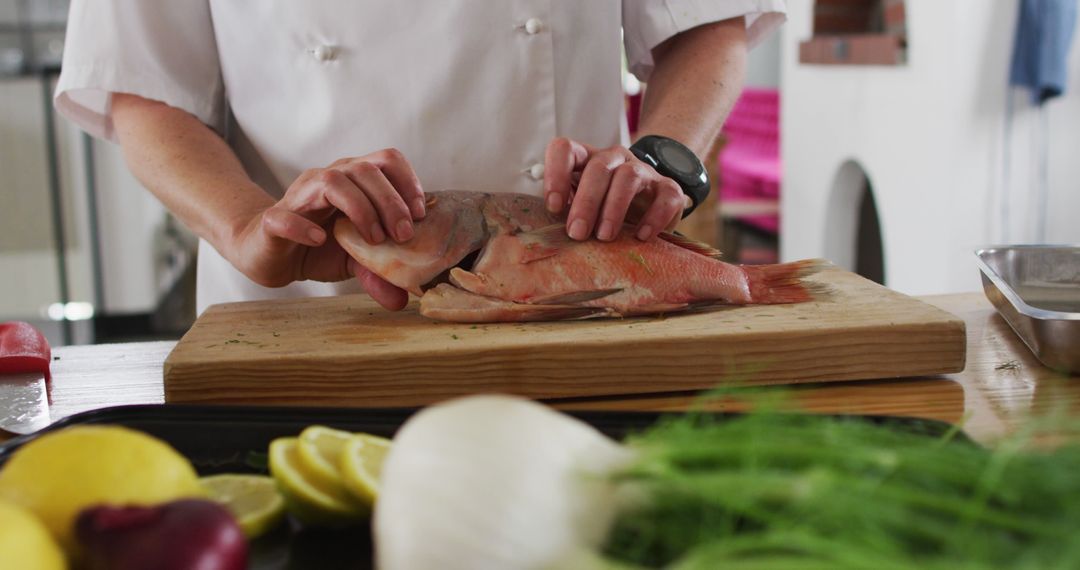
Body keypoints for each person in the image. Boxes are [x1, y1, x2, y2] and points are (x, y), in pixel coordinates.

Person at [55, 2, 785, 315]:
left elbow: (704, 22)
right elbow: (143, 91)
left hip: (574, 304)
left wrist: (661, 158)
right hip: (301, 318)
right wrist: (247, 223)